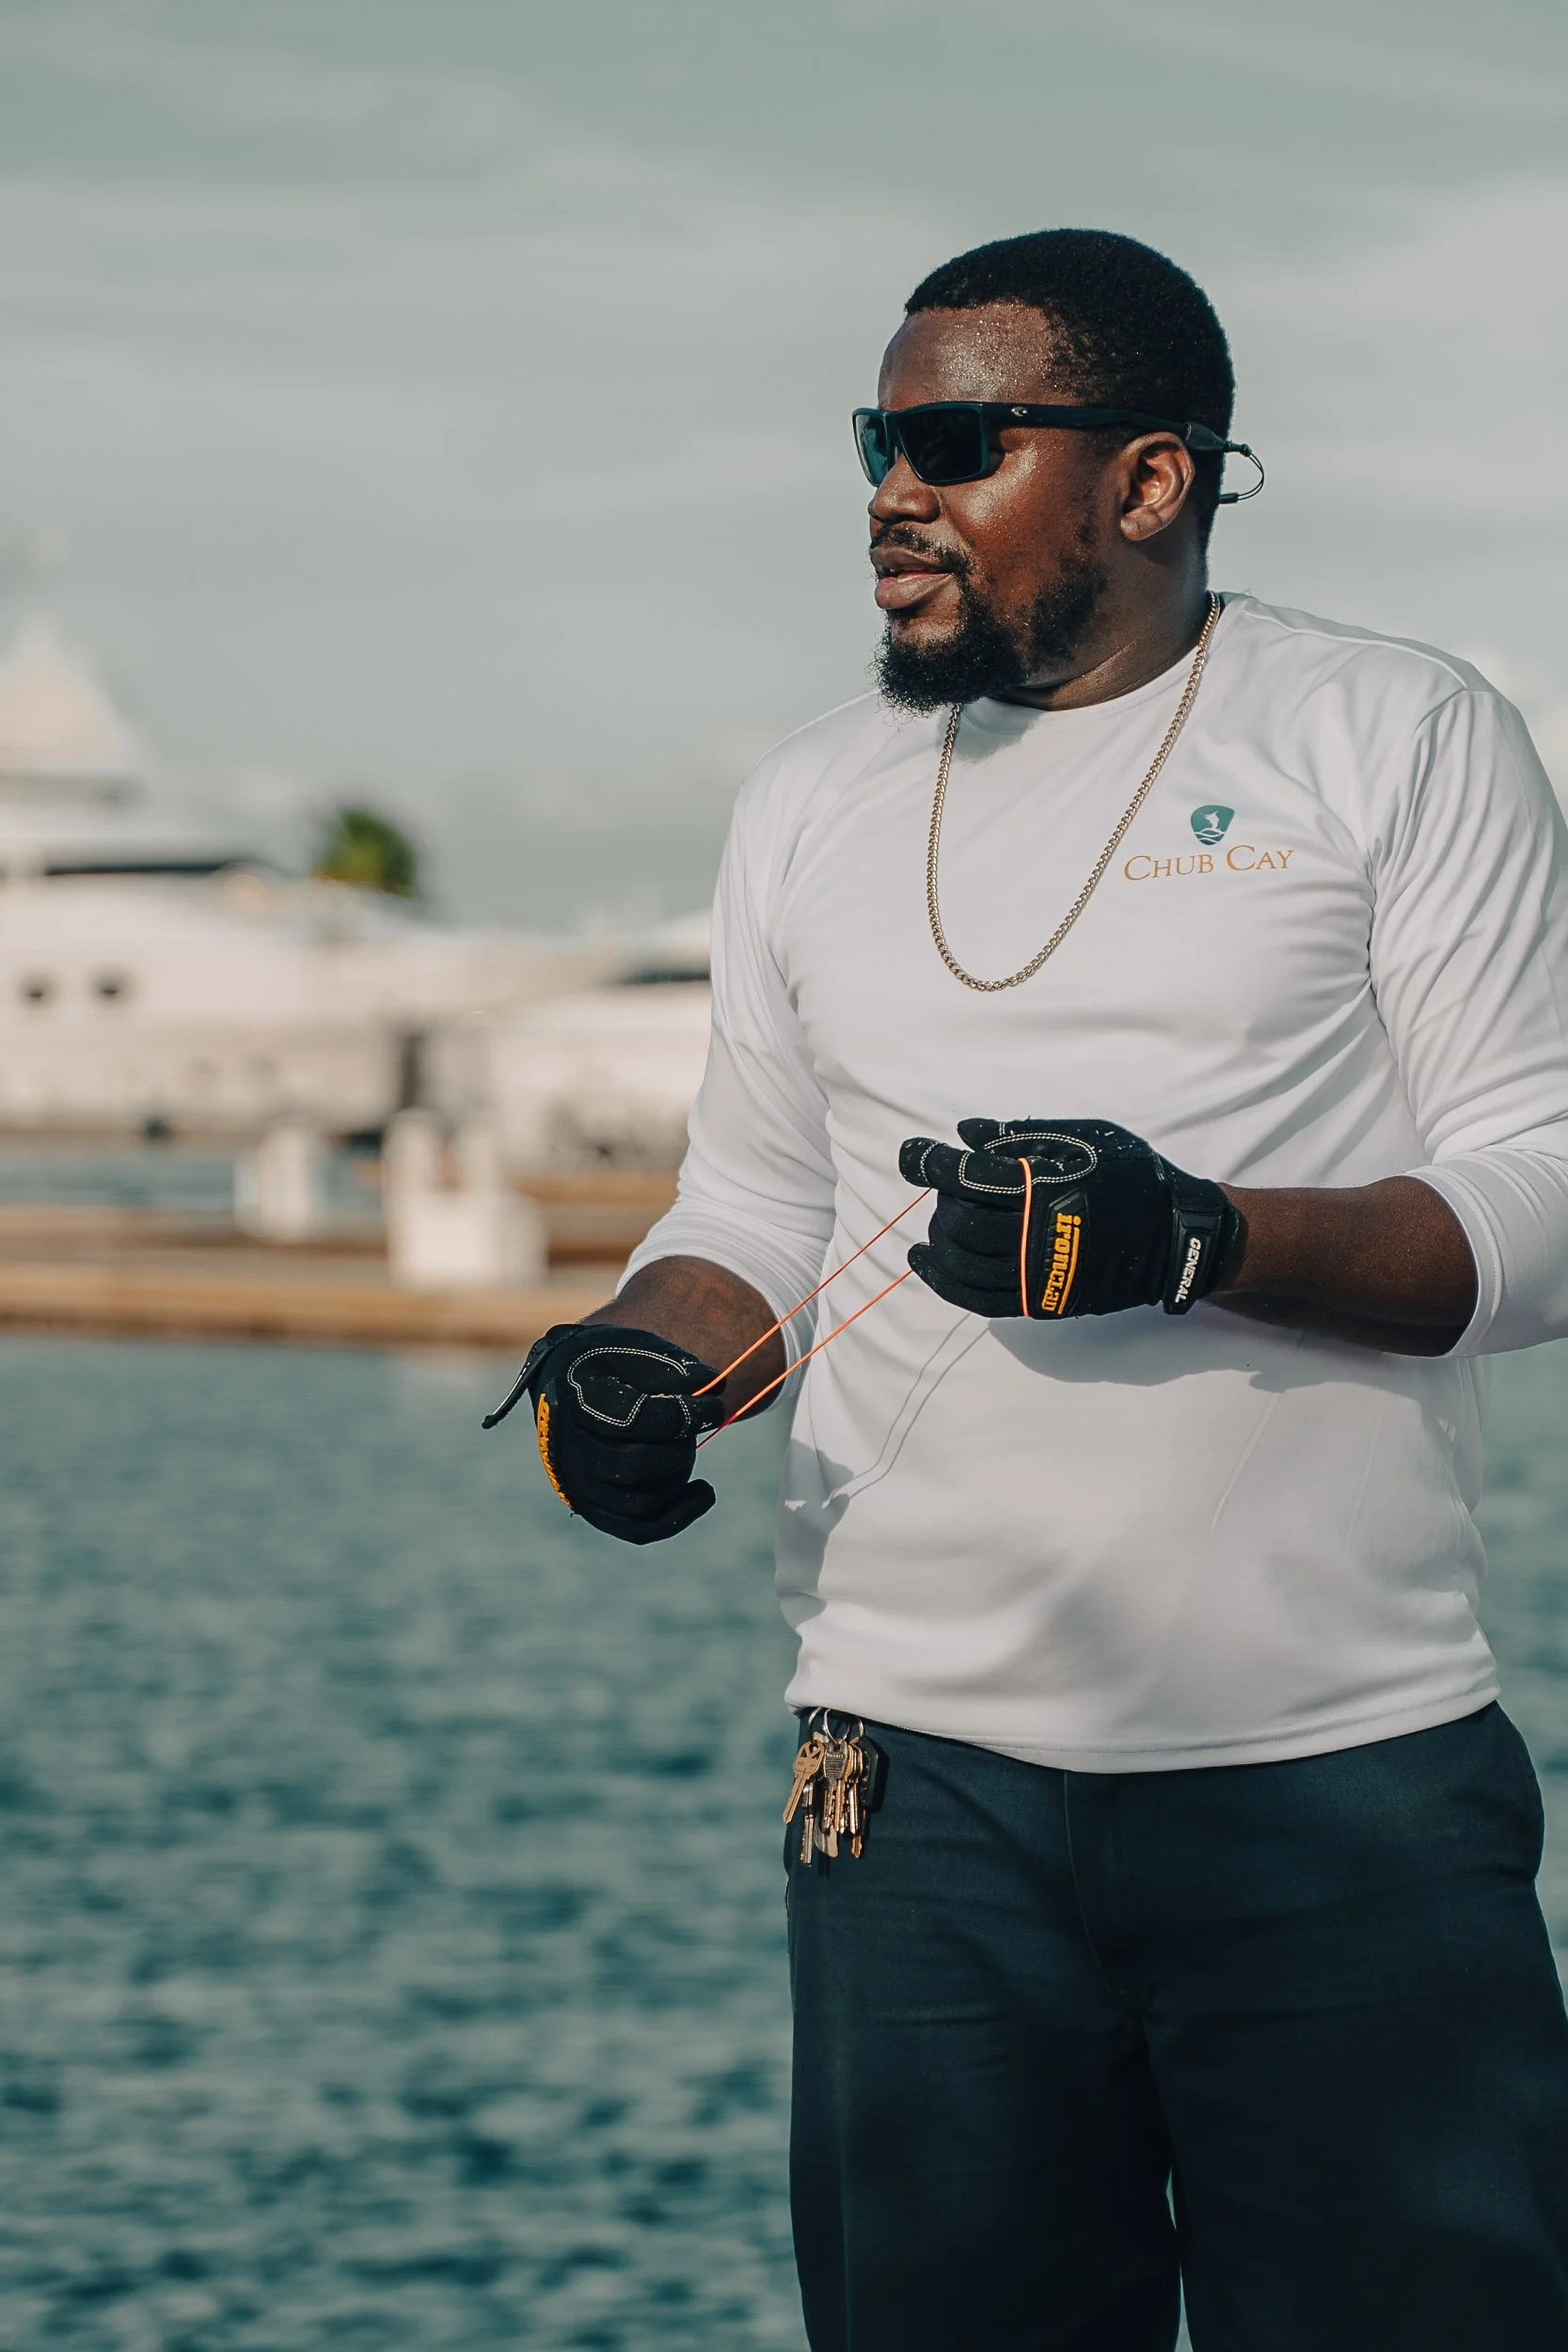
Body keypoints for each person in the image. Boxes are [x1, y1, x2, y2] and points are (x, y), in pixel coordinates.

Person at [491, 230, 1568, 2348]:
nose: (891, 489)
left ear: (1148, 478)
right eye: (877, 440)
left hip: (1331, 1784)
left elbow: (1537, 1190)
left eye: (953, 440)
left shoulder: (1390, 731)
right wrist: (633, 1364)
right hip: (914, 1801)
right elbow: (751, 1210)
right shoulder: (806, 798)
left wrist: (1189, 1231)